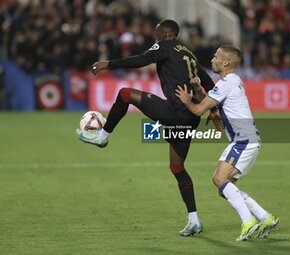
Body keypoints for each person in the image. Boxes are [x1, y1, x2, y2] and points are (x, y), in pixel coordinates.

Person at [76, 19, 218, 236]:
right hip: (191, 117)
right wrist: (214, 110)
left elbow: (141, 59)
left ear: (163, 34)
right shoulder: (189, 54)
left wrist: (109, 64)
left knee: (125, 94)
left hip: (175, 112)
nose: (155, 37)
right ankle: (194, 220)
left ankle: (102, 136)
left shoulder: (164, 45)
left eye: (156, 33)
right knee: (177, 168)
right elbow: (209, 83)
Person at [175, 45, 279, 241]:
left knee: (218, 179)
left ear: (226, 62)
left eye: (216, 57)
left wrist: (187, 100)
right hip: (248, 140)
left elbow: (198, 110)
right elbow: (209, 102)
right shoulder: (232, 81)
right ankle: (265, 217)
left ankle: (248, 222)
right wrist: (198, 89)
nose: (212, 59)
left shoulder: (226, 83)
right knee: (226, 189)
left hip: (243, 141)